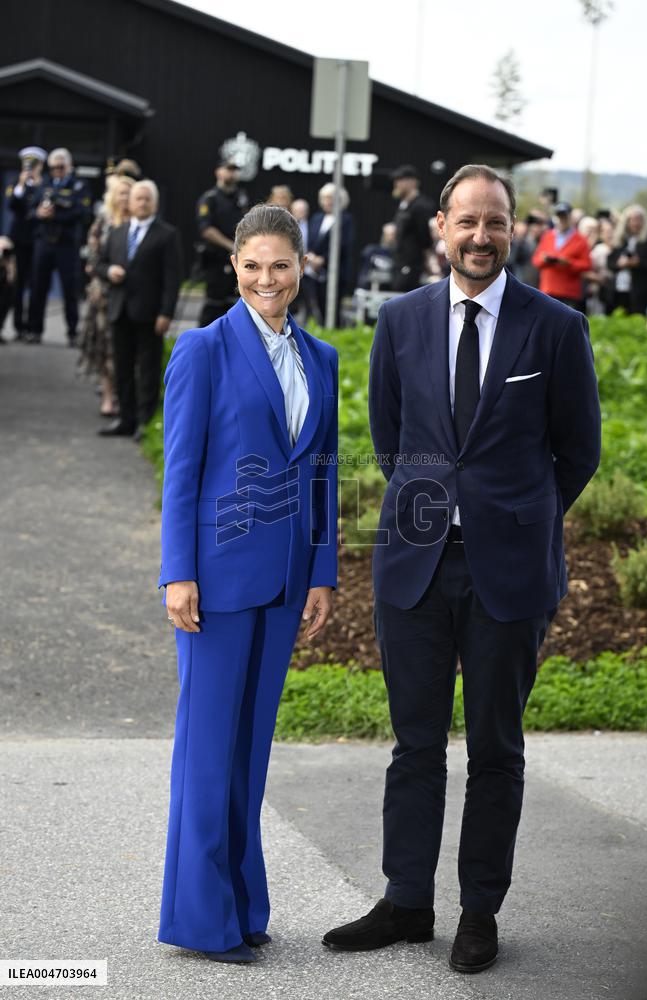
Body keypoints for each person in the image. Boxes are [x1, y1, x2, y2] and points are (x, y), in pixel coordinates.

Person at [323, 164, 601, 973]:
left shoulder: (554, 327)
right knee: (415, 746)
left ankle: (480, 910)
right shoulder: (402, 320)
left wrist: (516, 515)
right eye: (467, 221)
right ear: (441, 226)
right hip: (413, 568)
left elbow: (576, 451)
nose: (481, 236)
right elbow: (388, 432)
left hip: (507, 575)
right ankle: (407, 900)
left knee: (496, 749)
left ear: (512, 230)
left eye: (496, 222)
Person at [157, 204, 338, 963]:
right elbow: (181, 472)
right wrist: (178, 573)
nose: (268, 279)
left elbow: (323, 470)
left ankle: (242, 903)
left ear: (303, 270)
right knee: (207, 753)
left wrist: (323, 571)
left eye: (281, 266)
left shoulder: (322, 357)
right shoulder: (202, 350)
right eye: (253, 265)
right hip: (217, 584)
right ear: (234, 267)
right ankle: (202, 921)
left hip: (287, 582)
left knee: (250, 755)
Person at [96, 179, 183, 439]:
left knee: (147, 369)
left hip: (150, 314)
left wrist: (166, 313)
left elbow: (172, 279)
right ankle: (126, 419)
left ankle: (145, 422)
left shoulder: (167, 235)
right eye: (138, 198)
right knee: (122, 368)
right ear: (129, 202)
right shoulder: (117, 232)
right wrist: (109, 271)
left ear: (154, 204)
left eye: (147, 198)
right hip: (119, 310)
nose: (142, 203)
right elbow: (99, 264)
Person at [79, 174, 135, 415]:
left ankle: (127, 398)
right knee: (106, 346)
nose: (124, 197)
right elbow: (92, 257)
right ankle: (109, 395)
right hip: (103, 294)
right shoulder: (104, 220)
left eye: (128, 193)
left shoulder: (139, 222)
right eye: (120, 193)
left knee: (126, 347)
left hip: (132, 294)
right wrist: (105, 271)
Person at [26, 148, 92, 345]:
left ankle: (72, 332)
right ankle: (34, 330)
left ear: (69, 166)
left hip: (66, 244)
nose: (56, 171)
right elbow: (30, 210)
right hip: (44, 243)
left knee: (70, 289)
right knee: (38, 287)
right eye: (53, 167)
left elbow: (82, 212)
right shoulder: (44, 183)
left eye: (60, 167)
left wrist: (56, 215)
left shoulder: (79, 185)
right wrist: (39, 213)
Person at [196, 157, 249, 327]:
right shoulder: (209, 199)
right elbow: (207, 230)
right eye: (228, 169)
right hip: (217, 261)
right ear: (218, 172)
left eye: (234, 170)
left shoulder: (241, 198)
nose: (231, 173)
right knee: (214, 308)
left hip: (238, 262)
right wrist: (232, 246)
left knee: (236, 307)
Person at [5, 146, 47, 340]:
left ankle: (34, 328)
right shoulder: (17, 183)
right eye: (27, 164)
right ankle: (18, 327)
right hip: (19, 240)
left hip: (39, 239)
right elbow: (13, 205)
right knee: (18, 284)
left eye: (34, 164)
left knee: (37, 284)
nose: (30, 168)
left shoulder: (45, 184)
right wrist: (23, 184)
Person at [308, 182, 355, 325]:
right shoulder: (317, 218)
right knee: (319, 304)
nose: (328, 201)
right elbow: (310, 240)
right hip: (315, 270)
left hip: (336, 270)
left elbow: (344, 244)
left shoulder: (346, 219)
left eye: (331, 198)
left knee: (333, 307)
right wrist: (312, 257)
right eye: (325, 198)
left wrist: (323, 260)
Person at [531, 201, 592, 311]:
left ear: (570, 217)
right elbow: (536, 260)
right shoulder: (548, 236)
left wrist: (568, 263)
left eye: (564, 216)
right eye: (559, 216)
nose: (561, 220)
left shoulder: (580, 240)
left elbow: (586, 265)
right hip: (548, 289)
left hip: (569, 293)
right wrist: (545, 260)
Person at [607, 205, 647, 315]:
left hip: (640, 291)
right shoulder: (621, 240)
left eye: (638, 220)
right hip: (619, 289)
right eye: (632, 220)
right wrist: (620, 264)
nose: (635, 223)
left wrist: (638, 263)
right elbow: (610, 262)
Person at [390, 165, 435, 292]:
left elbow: (426, 237)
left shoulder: (422, 206)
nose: (396, 184)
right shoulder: (403, 205)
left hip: (413, 264)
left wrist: (429, 261)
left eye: (400, 180)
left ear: (412, 182)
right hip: (398, 262)